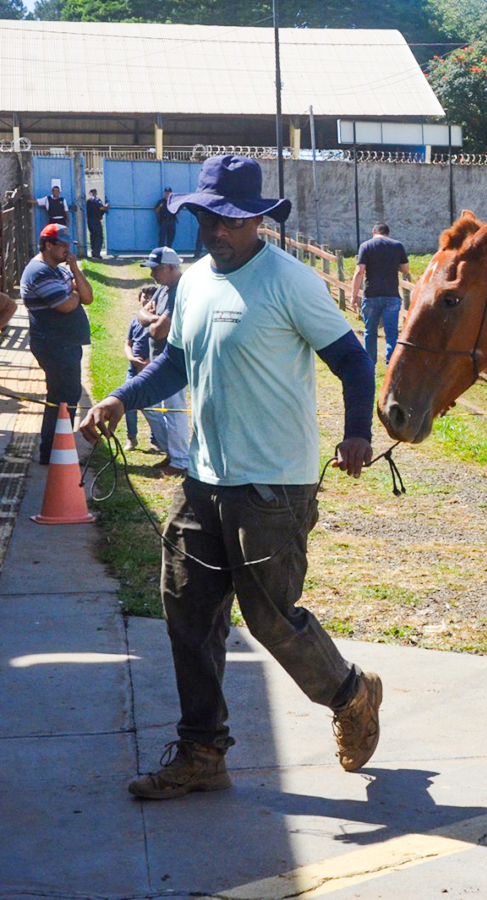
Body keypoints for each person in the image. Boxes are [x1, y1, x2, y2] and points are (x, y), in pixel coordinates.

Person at [79, 154, 382, 801]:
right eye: (208, 218)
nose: (218, 231)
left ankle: (351, 692)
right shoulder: (192, 283)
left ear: (257, 222)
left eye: (232, 221)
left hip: (275, 486)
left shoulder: (292, 283)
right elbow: (175, 364)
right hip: (205, 482)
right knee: (188, 609)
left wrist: (358, 432)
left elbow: (354, 362)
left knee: (270, 616)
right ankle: (201, 751)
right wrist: (120, 399)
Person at [20, 224, 94, 463]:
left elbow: (88, 297)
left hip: (66, 344)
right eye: (61, 245)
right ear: (47, 245)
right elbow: (66, 305)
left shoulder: (59, 270)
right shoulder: (39, 271)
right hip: (54, 345)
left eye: (68, 246)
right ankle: (53, 451)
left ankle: (58, 448)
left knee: (67, 396)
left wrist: (74, 268)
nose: (66, 249)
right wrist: (73, 294)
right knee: (62, 398)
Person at [136, 247, 191, 476]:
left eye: (156, 269)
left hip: (173, 360)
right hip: (159, 359)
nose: (152, 275)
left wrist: (151, 318)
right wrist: (152, 318)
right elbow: (141, 316)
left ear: (171, 267)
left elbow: (158, 331)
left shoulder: (179, 291)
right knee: (151, 406)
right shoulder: (162, 290)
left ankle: (180, 460)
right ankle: (173, 453)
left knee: (173, 409)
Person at [350, 222, 410, 364]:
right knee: (392, 334)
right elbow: (406, 269)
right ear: (388, 233)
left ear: (373, 233)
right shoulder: (397, 246)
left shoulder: (366, 246)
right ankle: (391, 365)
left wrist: (353, 296)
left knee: (370, 332)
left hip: (371, 295)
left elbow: (359, 271)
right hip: (391, 295)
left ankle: (370, 364)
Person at [121, 288, 154, 451]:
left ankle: (156, 439)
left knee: (153, 405)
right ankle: (131, 437)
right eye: (144, 298)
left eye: (151, 299)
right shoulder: (135, 321)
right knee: (129, 402)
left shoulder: (156, 321)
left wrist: (148, 362)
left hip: (151, 369)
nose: (147, 302)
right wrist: (131, 358)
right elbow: (128, 344)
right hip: (133, 369)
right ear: (139, 300)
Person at [86, 188, 110, 259]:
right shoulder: (96, 200)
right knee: (98, 236)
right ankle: (96, 253)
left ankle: (93, 252)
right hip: (96, 220)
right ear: (96, 193)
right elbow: (102, 208)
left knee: (93, 236)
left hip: (89, 220)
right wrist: (107, 204)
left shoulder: (88, 201)